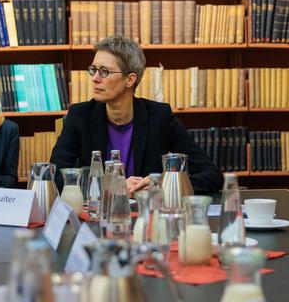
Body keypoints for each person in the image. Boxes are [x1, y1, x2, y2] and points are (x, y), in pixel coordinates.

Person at [50, 35, 223, 196]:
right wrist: (111, 188)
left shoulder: (159, 116)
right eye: (93, 70)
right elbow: (54, 177)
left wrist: (162, 184)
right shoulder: (80, 115)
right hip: (99, 218)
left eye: (104, 71)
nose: (95, 78)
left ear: (130, 80)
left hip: (147, 217)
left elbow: (212, 175)